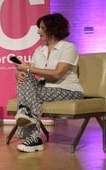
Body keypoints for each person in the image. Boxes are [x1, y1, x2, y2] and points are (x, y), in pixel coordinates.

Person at [13, 13, 84, 153]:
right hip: (45, 90)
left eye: (42, 28)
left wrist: (27, 68)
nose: (38, 31)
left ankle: (29, 123)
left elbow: (57, 74)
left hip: (68, 90)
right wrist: (19, 73)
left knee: (29, 95)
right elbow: (30, 71)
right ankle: (27, 118)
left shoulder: (68, 48)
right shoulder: (39, 50)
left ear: (53, 29)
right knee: (26, 79)